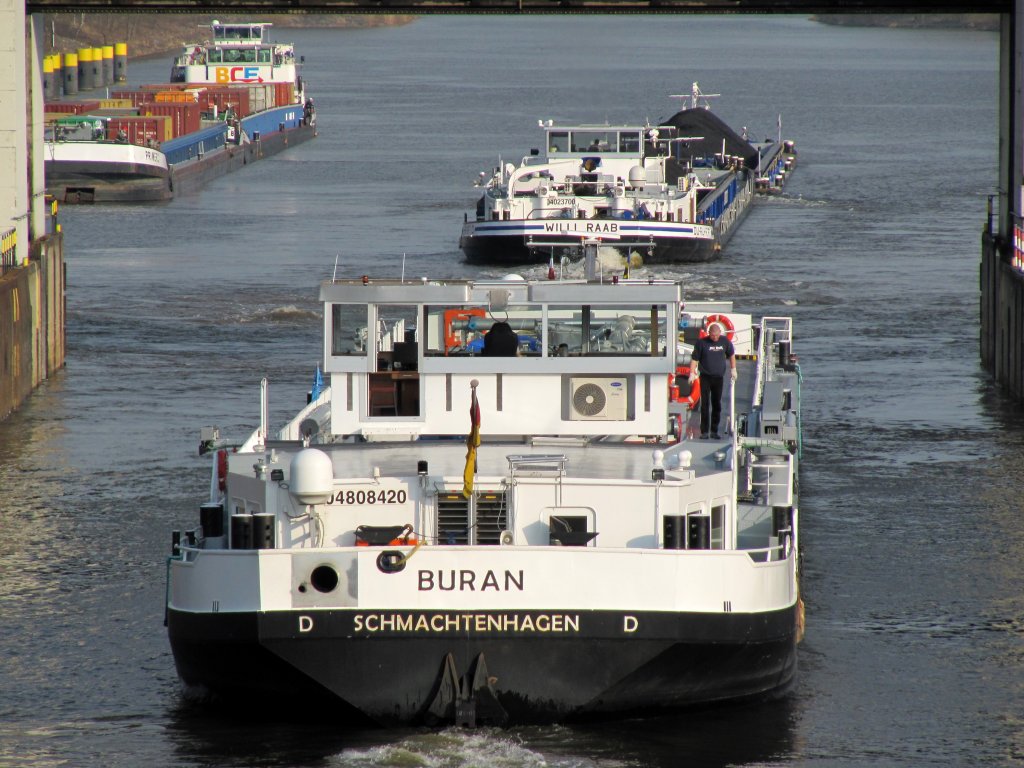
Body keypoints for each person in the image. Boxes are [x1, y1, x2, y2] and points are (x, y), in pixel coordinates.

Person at [689, 322, 736, 439]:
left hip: (718, 377)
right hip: (705, 377)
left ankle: (714, 430)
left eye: (716, 335)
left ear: (720, 333)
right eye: (712, 335)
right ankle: (704, 431)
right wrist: (691, 373)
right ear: (709, 333)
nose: (715, 337)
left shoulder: (725, 342)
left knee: (717, 404)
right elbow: (694, 359)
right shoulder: (702, 343)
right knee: (705, 405)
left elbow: (731, 355)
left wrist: (733, 369)